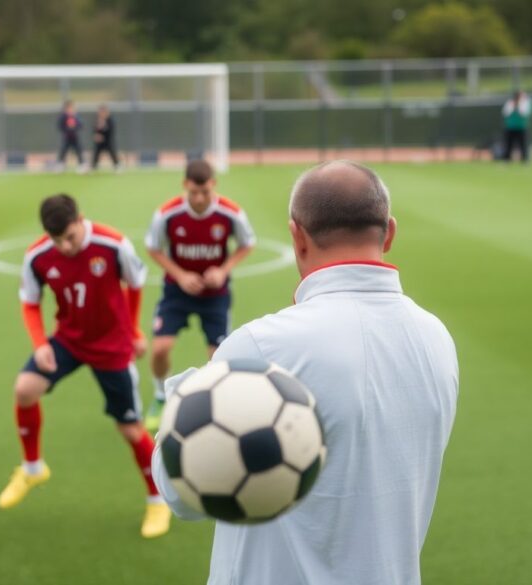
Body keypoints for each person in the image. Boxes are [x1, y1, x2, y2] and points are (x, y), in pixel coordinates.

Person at [152, 160, 459, 584]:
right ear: (389, 233)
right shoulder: (437, 339)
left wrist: (188, 395)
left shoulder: (260, 346)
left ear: (297, 238)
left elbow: (179, 493)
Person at [0, 193, 171, 539]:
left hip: (111, 346)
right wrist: (40, 344)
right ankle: (33, 467)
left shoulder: (113, 244)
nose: (65, 246)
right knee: (25, 389)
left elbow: (135, 284)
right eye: (56, 240)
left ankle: (158, 499)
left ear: (80, 219)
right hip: (69, 340)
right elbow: (30, 303)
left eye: (70, 237)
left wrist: (133, 330)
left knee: (130, 430)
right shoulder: (37, 256)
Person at [142, 160, 256, 433]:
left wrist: (223, 270)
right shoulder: (167, 214)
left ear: (213, 184)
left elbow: (247, 244)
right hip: (176, 292)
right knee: (160, 349)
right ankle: (160, 397)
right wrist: (180, 275)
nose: (200, 199)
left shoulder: (231, 213)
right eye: (194, 192)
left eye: (205, 192)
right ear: (185, 185)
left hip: (215, 294)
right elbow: (153, 248)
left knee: (218, 357)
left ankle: (213, 408)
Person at [501, 90, 532, 162]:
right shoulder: (510, 103)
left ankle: (525, 159)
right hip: (510, 127)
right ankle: (506, 159)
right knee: (508, 144)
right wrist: (513, 106)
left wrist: (518, 105)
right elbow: (505, 113)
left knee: (523, 144)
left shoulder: (525, 103)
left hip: (522, 127)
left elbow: (524, 113)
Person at [57, 100, 85, 171]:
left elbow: (80, 125)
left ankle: (81, 165)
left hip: (75, 137)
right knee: (63, 151)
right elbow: (60, 126)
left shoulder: (76, 116)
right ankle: (60, 165)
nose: (70, 110)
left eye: (72, 108)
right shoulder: (63, 117)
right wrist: (68, 128)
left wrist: (74, 127)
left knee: (79, 151)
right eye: (69, 108)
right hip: (67, 137)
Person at [92, 104, 120, 171]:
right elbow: (94, 130)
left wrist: (103, 134)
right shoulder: (98, 120)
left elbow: (110, 131)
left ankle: (117, 165)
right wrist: (96, 135)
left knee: (112, 152)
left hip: (107, 141)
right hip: (100, 142)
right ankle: (93, 166)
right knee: (96, 152)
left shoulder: (110, 120)